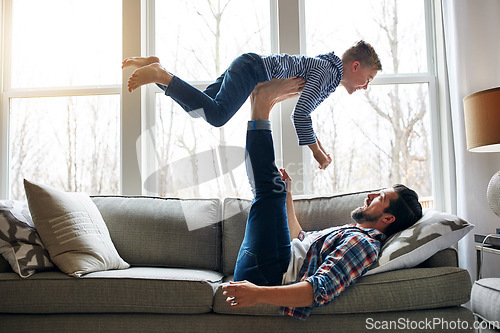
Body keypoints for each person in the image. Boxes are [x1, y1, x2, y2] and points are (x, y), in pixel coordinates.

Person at [220, 78, 423, 320]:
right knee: (274, 187)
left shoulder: (363, 245)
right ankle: (260, 104)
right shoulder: (351, 231)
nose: (370, 195)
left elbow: (318, 289)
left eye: (380, 197)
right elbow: (299, 238)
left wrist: (258, 294)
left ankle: (261, 103)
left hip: (268, 275)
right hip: (273, 259)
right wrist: (288, 194)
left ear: (388, 217)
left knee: (269, 189)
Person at [122, 41, 382, 170]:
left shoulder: (328, 74)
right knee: (218, 115)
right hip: (252, 69)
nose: (365, 86)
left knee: (197, 109)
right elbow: (301, 114)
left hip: (247, 65)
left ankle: (157, 69)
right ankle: (160, 74)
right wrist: (316, 153)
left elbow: (306, 112)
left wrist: (322, 149)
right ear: (355, 66)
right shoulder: (327, 73)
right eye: (367, 79)